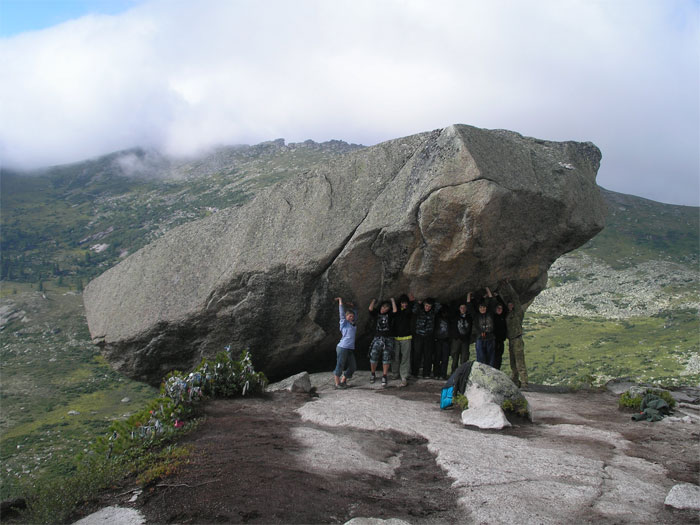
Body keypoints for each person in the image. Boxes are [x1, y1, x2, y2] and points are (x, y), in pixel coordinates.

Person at [502, 281, 528, 388]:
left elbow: (515, 298)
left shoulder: (517, 313)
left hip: (517, 339)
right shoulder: (507, 314)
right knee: (513, 362)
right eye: (509, 304)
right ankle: (515, 381)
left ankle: (524, 383)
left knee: (520, 362)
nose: (510, 305)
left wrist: (508, 285)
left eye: (511, 304)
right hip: (511, 340)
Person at [368, 297, 397, 387]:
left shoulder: (390, 315)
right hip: (378, 338)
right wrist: (373, 300)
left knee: (386, 357)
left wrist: (392, 301)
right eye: (383, 308)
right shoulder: (376, 314)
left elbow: (395, 311)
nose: (384, 310)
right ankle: (373, 374)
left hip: (388, 338)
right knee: (374, 355)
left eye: (386, 308)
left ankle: (384, 376)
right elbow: (370, 309)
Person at [467, 288, 498, 367]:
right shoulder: (476, 316)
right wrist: (468, 295)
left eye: (484, 307)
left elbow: (492, 301)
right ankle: (481, 372)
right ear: (479, 308)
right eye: (481, 308)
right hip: (480, 338)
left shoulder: (490, 313)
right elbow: (469, 306)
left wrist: (488, 289)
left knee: (491, 357)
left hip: (490, 337)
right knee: (480, 357)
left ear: (486, 308)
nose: (482, 309)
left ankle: (490, 372)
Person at [412, 297, 441, 378]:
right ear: (424, 305)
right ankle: (415, 373)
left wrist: (433, 300)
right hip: (419, 336)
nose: (427, 308)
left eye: (429, 306)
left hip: (429, 336)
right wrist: (419, 303)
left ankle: (426, 373)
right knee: (417, 354)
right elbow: (414, 310)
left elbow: (438, 306)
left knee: (428, 355)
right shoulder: (420, 312)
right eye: (426, 306)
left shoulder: (433, 312)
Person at [333, 297, 357, 389]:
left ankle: (343, 380)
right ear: (346, 317)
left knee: (353, 366)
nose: (351, 317)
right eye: (349, 316)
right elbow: (341, 313)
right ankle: (337, 383)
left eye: (352, 316)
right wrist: (340, 301)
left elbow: (356, 313)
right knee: (340, 364)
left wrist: (353, 307)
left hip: (350, 348)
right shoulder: (344, 323)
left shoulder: (353, 324)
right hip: (342, 347)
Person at [391, 293, 414, 387]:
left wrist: (412, 302)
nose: (404, 305)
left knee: (405, 357)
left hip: (406, 337)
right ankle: (395, 373)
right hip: (396, 337)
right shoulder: (396, 311)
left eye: (405, 303)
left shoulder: (408, 311)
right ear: (399, 303)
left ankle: (404, 375)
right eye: (402, 303)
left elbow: (410, 311)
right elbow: (394, 312)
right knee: (395, 356)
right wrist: (392, 301)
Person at [449, 299, 472, 375]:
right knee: (455, 357)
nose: (463, 309)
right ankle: (453, 373)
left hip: (465, 340)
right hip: (456, 339)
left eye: (464, 308)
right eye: (461, 308)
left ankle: (462, 374)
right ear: (459, 308)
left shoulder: (469, 317)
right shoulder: (455, 316)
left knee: (464, 358)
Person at [434, 307, 451, 379]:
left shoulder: (449, 319)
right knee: (437, 357)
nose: (444, 313)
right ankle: (436, 374)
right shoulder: (437, 318)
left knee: (445, 358)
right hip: (438, 340)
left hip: (446, 340)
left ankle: (443, 374)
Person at [493, 297, 508, 370]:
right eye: (498, 308)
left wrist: (498, 297)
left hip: (501, 340)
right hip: (494, 340)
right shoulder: (493, 316)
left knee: (499, 357)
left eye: (500, 308)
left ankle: (497, 370)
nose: (499, 309)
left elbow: (505, 308)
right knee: (493, 356)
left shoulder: (503, 316)